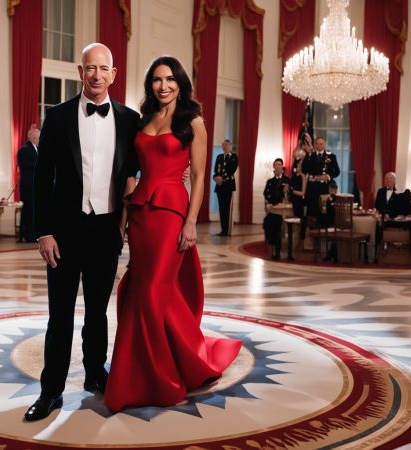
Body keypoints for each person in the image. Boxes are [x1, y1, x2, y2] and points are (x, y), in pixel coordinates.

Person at [103, 56, 242, 412]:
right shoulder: (144, 118)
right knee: (141, 291)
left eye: (169, 79)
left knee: (152, 294)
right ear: (150, 84)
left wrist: (192, 221)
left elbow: (198, 177)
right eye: (156, 80)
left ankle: (167, 377)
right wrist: (124, 215)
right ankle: (135, 375)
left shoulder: (192, 121)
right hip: (141, 214)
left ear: (181, 83)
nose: (162, 86)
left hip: (171, 214)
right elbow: (132, 171)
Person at [24, 43, 140, 421]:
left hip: (106, 232)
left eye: (103, 69)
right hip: (63, 233)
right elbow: (42, 181)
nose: (96, 75)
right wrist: (43, 232)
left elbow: (142, 168)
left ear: (113, 74)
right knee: (59, 316)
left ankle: (95, 374)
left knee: (97, 313)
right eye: (90, 68)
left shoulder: (128, 119)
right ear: (80, 71)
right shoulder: (56, 117)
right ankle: (51, 391)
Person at [301, 136, 340, 223]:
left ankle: (325, 232)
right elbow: (304, 169)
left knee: (325, 212)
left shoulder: (331, 156)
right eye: (317, 144)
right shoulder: (310, 155)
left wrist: (328, 176)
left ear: (325, 144)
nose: (319, 146)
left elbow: (337, 172)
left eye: (321, 144)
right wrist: (308, 155)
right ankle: (314, 234)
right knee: (313, 213)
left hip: (325, 188)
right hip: (313, 188)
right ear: (314, 145)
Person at [263, 158, 290, 260]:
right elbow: (266, 194)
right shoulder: (270, 181)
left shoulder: (287, 180)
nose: (278, 166)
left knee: (276, 224)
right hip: (273, 209)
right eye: (276, 165)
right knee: (267, 222)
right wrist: (269, 203)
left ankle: (276, 251)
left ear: (282, 167)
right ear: (274, 167)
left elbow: (288, 195)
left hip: (282, 210)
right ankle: (270, 247)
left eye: (279, 164)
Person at [17, 126, 40, 242]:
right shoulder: (24, 149)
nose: (39, 139)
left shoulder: (37, 148)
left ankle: (33, 234)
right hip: (28, 187)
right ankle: (26, 235)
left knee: (34, 211)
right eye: (37, 137)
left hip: (35, 187)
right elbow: (25, 165)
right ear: (31, 137)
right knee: (28, 212)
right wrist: (41, 162)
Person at [213, 139, 238, 236]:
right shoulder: (219, 157)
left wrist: (222, 178)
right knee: (221, 208)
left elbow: (232, 170)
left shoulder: (234, 157)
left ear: (231, 146)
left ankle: (227, 230)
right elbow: (216, 170)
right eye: (224, 145)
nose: (225, 147)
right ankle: (223, 230)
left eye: (227, 145)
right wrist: (216, 178)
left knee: (227, 209)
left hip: (228, 185)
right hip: (219, 186)